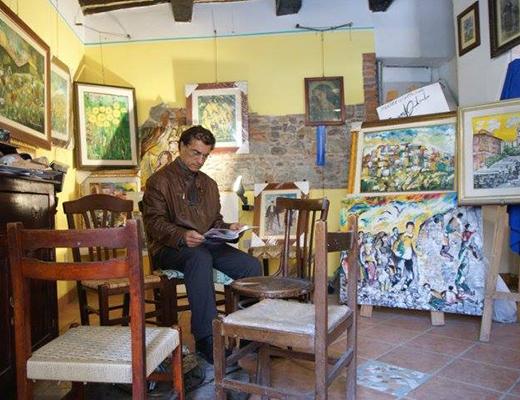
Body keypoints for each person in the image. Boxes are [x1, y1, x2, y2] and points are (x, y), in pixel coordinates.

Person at [142, 125, 262, 364]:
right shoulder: (158, 181)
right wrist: (182, 235)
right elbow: (154, 223)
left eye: (205, 155)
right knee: (199, 258)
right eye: (196, 153)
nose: (200, 160)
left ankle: (250, 334)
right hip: (170, 248)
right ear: (181, 147)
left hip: (206, 244)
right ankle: (206, 338)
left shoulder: (209, 184)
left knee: (251, 265)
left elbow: (214, 221)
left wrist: (229, 228)